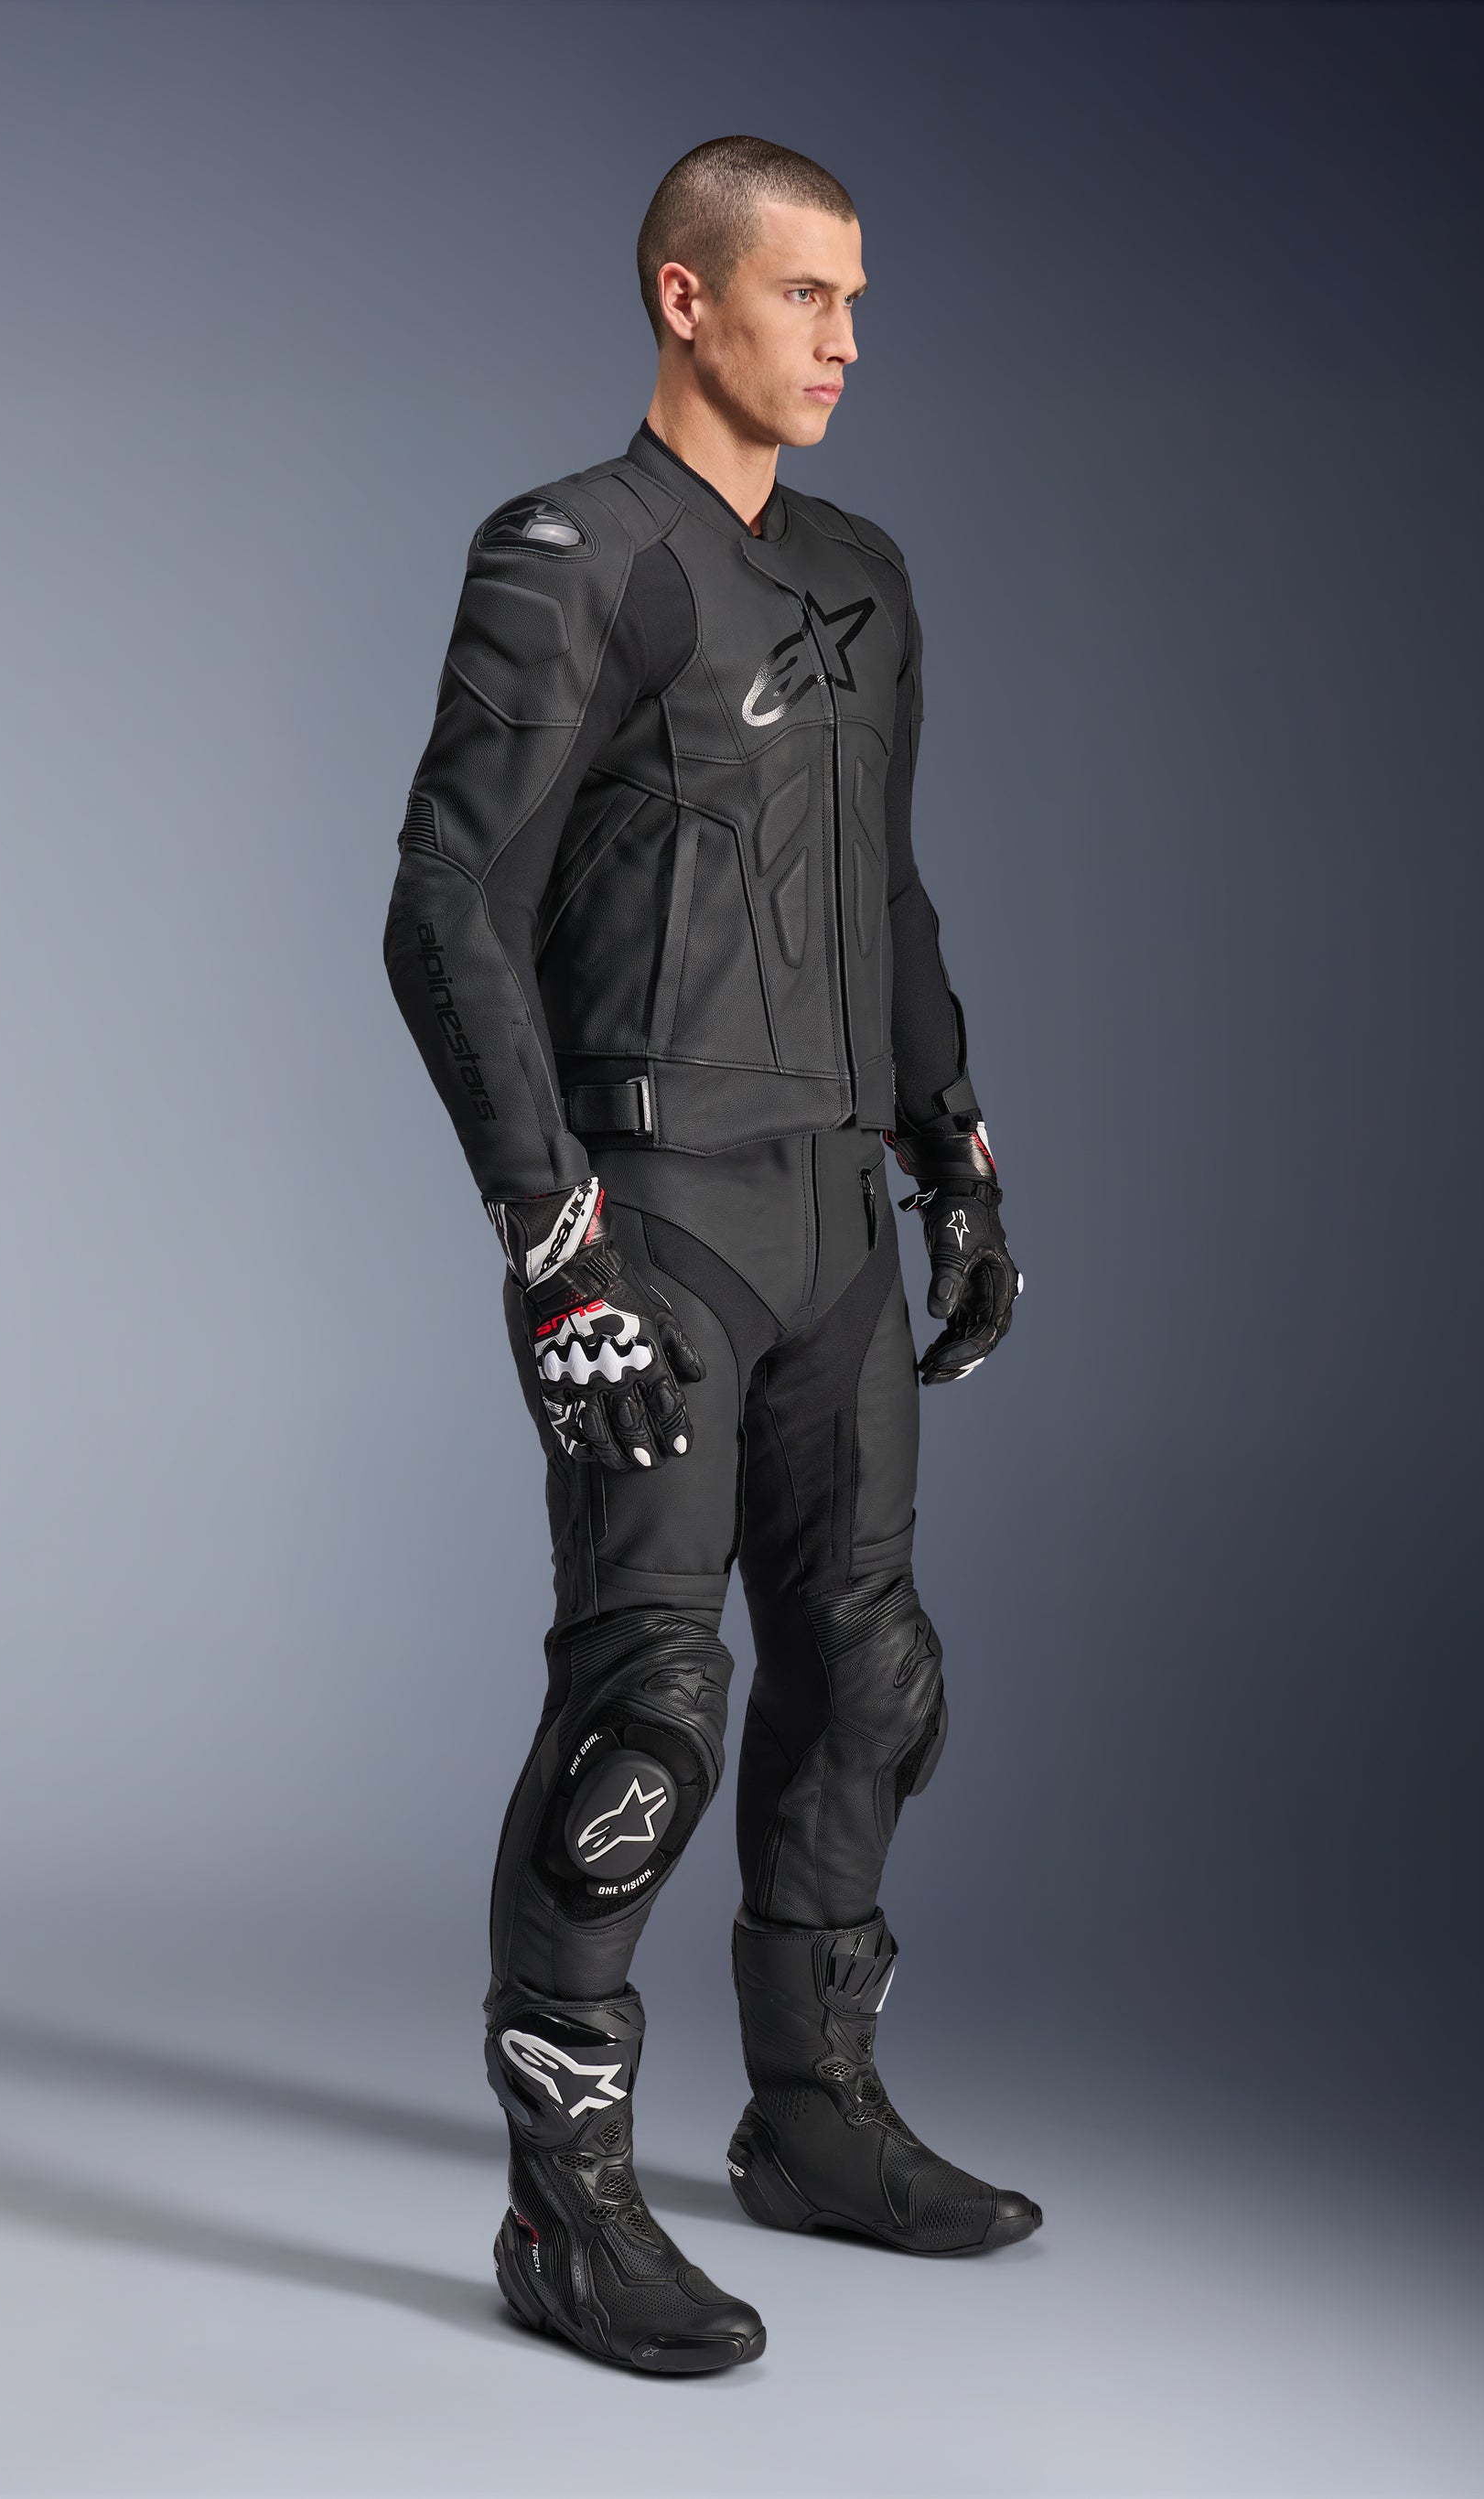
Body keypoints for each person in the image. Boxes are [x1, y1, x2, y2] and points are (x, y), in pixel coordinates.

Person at [384, 134, 1039, 2375]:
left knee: (870, 1678)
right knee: (647, 1715)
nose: (847, 338)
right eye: (806, 295)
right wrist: (549, 1240)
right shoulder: (574, 555)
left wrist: (955, 1149)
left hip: (836, 1212)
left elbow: (887, 888)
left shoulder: (861, 572)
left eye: (857, 299)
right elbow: (444, 906)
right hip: (652, 1221)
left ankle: (812, 2116)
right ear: (687, 299)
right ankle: (563, 2209)